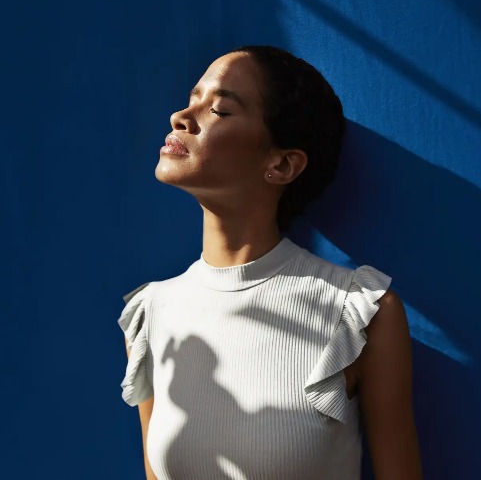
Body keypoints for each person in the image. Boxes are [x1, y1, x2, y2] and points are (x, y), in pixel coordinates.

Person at [118, 45, 423, 479]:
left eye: (219, 109)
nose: (181, 117)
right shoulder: (150, 315)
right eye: (192, 99)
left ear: (281, 164)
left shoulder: (358, 314)